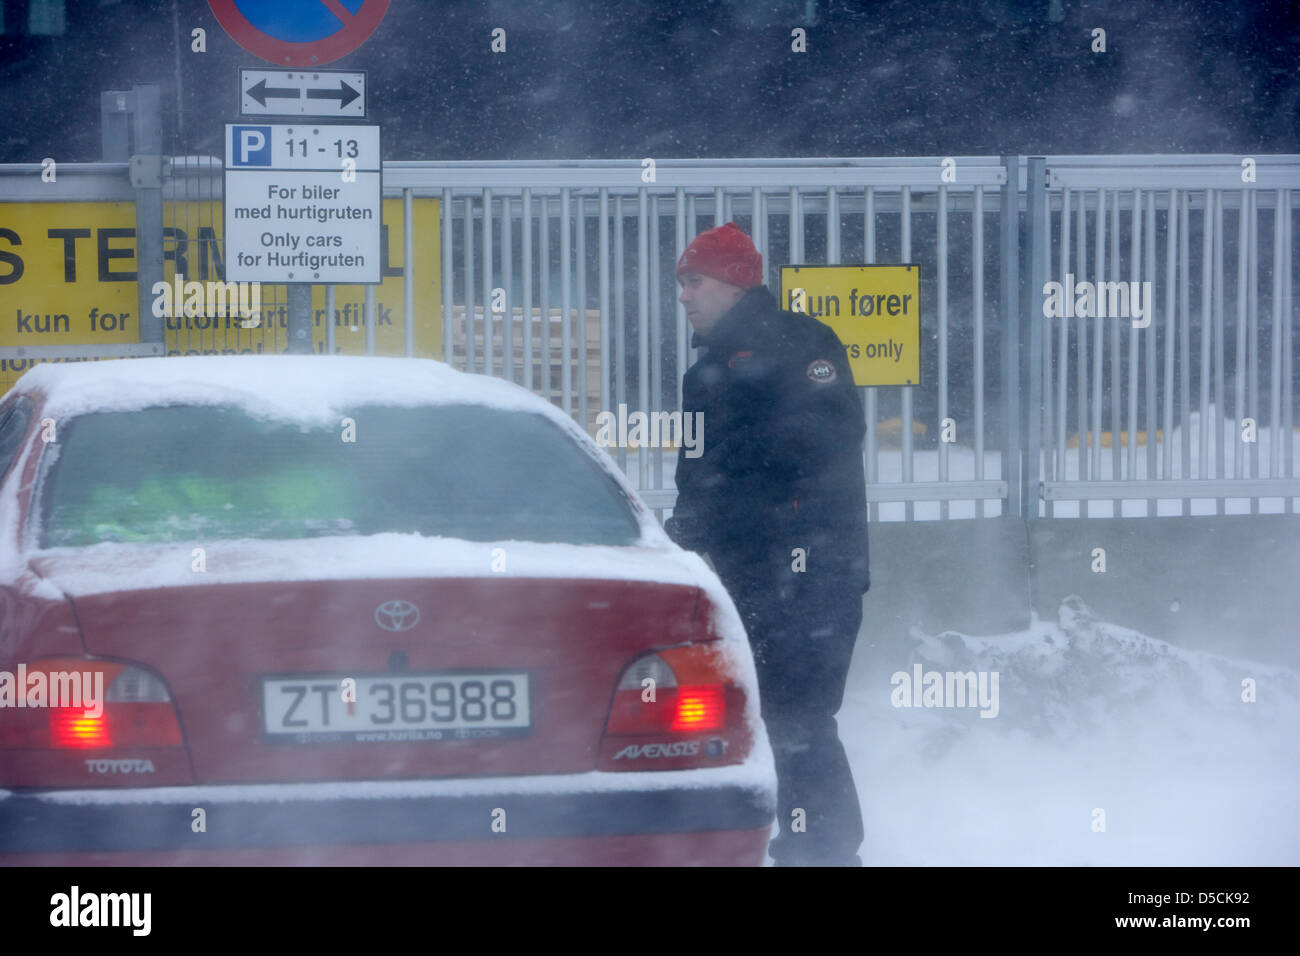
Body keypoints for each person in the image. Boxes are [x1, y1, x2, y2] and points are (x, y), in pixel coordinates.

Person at [663, 222, 870, 867]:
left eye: (694, 281)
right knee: (765, 723)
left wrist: (736, 514)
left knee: (800, 720)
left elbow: (824, 447)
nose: (684, 297)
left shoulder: (806, 344)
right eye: (681, 283)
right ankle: (791, 847)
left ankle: (825, 855)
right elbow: (696, 485)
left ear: (732, 282)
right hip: (747, 578)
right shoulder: (707, 371)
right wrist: (679, 546)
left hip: (809, 575)